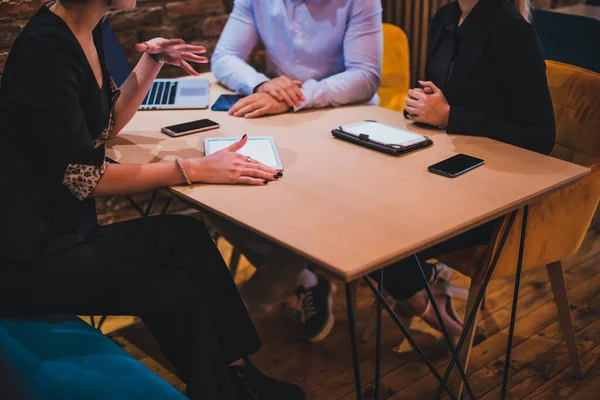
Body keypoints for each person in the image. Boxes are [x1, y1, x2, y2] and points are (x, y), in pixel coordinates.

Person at [0, 1, 302, 399]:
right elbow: (83, 178)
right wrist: (194, 169)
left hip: (61, 238)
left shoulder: (83, 28)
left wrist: (152, 63)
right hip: (26, 263)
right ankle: (238, 376)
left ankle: (231, 383)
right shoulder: (46, 50)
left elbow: (103, 126)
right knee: (185, 236)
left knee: (173, 291)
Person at [373, 0, 555, 342]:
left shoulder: (512, 30)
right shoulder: (445, 16)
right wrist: (426, 103)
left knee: (379, 239)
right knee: (362, 210)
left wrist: (448, 116)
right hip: (442, 170)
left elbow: (540, 137)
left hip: (492, 191)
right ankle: (424, 287)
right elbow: (448, 96)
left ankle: (429, 304)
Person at [208, 0, 383, 343]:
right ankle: (305, 278)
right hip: (281, 119)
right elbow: (224, 56)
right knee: (212, 193)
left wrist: (298, 95)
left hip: (344, 121)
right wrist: (261, 85)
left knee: (310, 211)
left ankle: (244, 308)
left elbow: (365, 76)